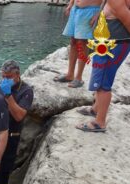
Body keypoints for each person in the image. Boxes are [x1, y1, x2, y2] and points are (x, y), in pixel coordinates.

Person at [76, 1, 130, 132]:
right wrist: (99, 15)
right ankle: (96, 109)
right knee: (100, 80)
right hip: (107, 44)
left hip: (112, 46)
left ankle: (99, 122)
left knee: (102, 84)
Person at [54, 0, 102, 88]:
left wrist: (99, 13)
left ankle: (79, 78)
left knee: (82, 43)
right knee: (73, 41)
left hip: (90, 11)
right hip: (75, 10)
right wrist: (71, 4)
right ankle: (70, 74)